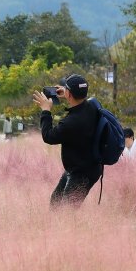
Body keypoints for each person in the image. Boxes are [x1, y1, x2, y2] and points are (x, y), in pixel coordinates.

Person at [32, 74, 102, 207]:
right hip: (85, 167)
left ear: (70, 94)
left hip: (82, 173)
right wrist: (67, 93)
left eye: (66, 88)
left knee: (66, 212)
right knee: (56, 202)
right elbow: (78, 98)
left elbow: (48, 136)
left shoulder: (72, 122)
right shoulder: (93, 105)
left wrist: (46, 110)